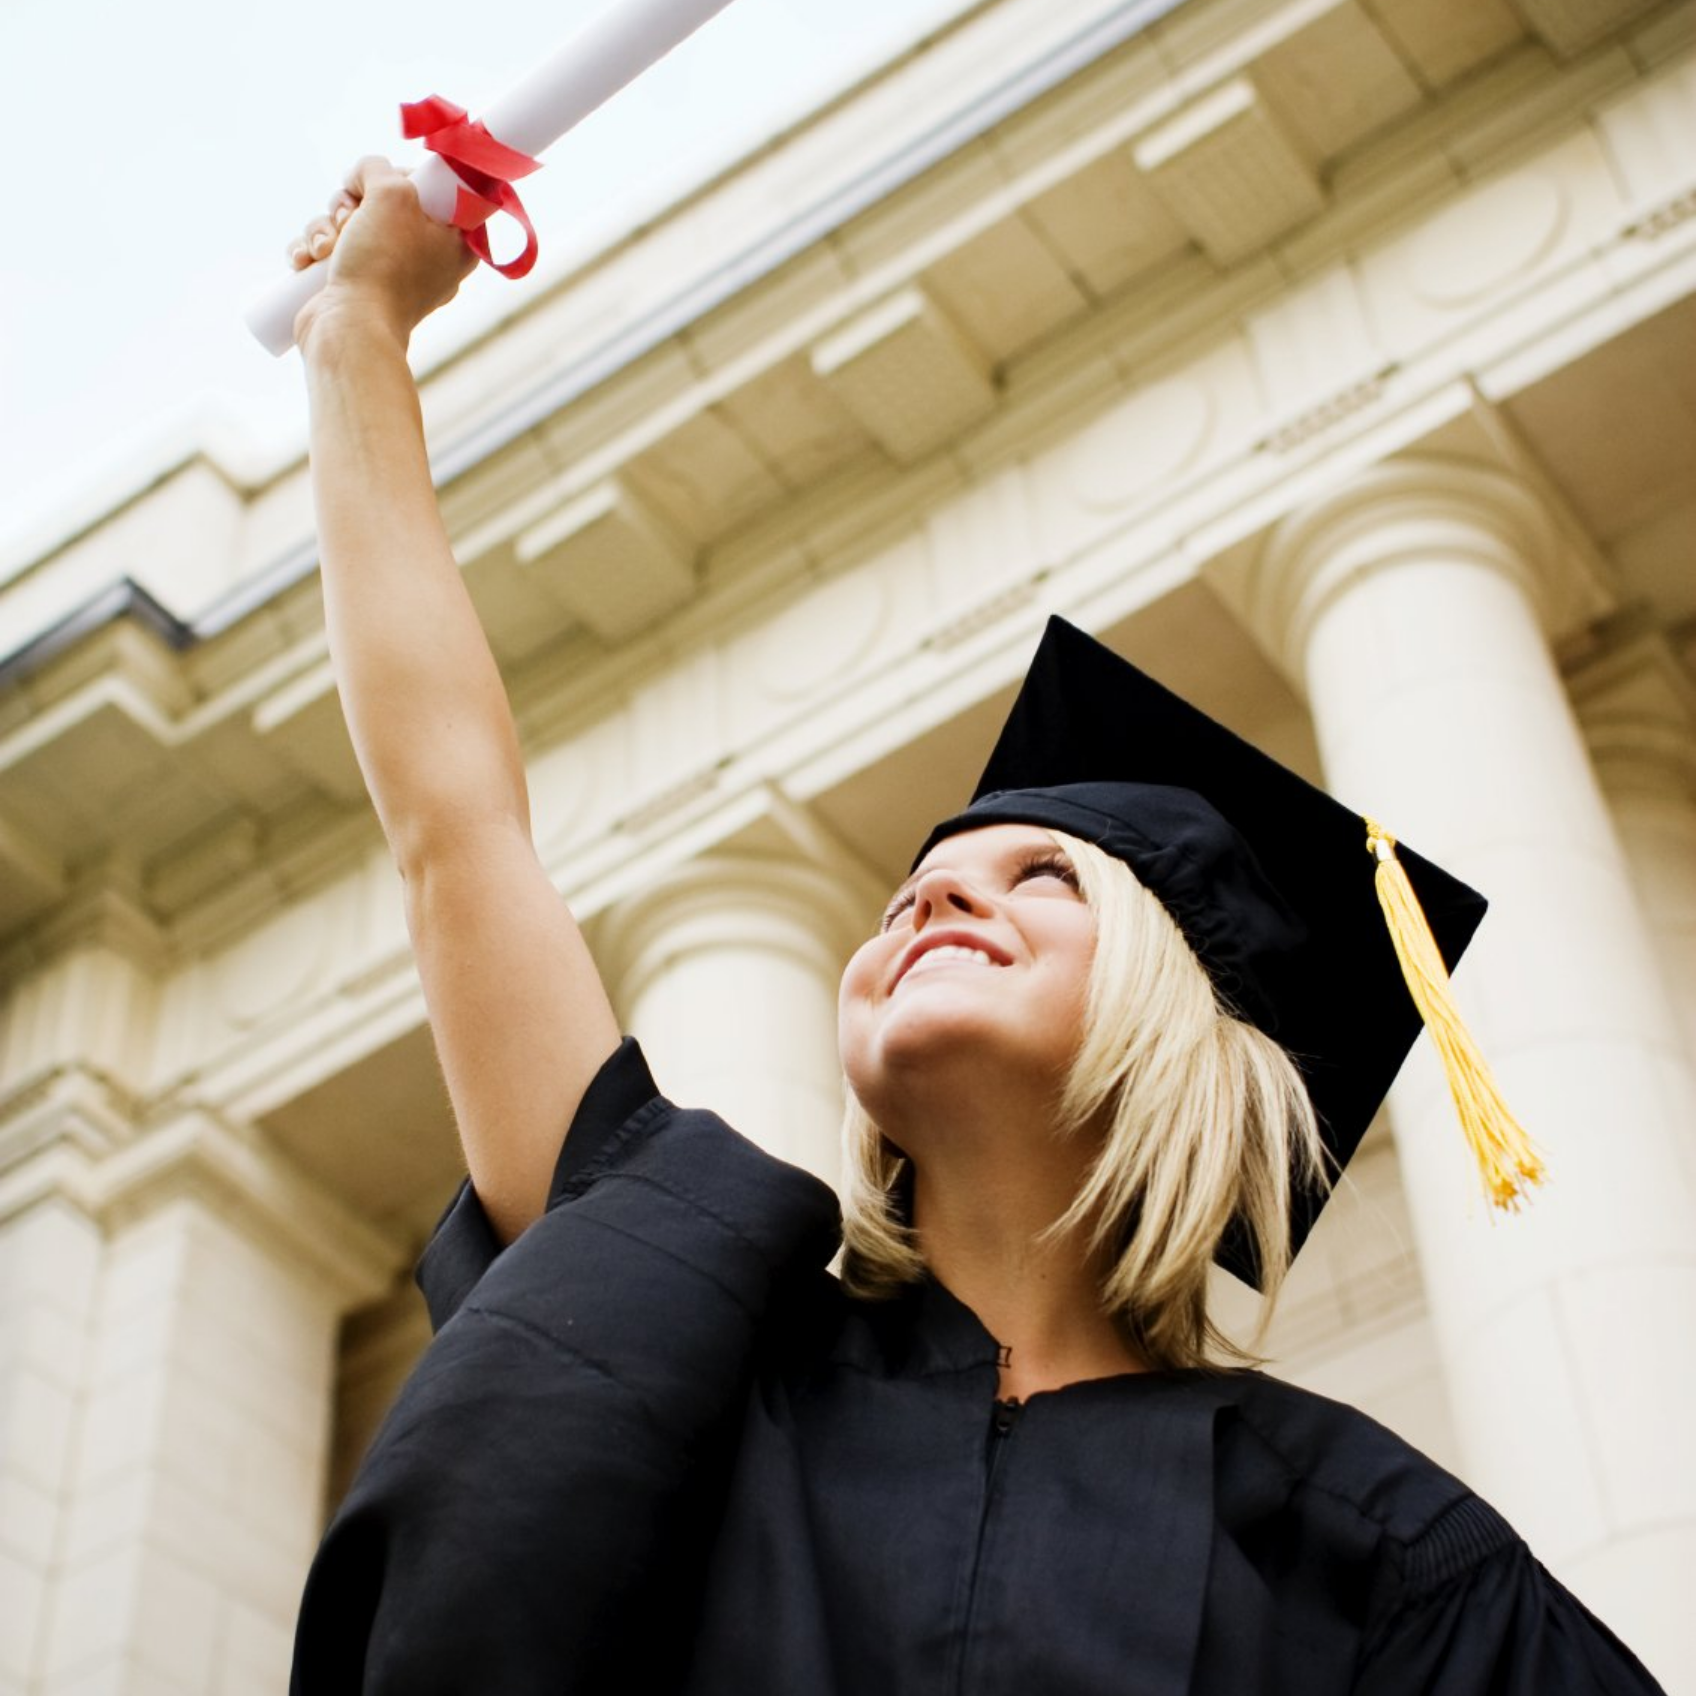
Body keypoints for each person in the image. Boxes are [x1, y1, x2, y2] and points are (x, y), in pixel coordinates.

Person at [284, 162, 1667, 1694]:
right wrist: (360, 326)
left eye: (1047, 880)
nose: (938, 888)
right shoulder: (685, 1326)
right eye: (919, 890)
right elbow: (453, 827)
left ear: (1178, 1014)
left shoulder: (1371, 1548)